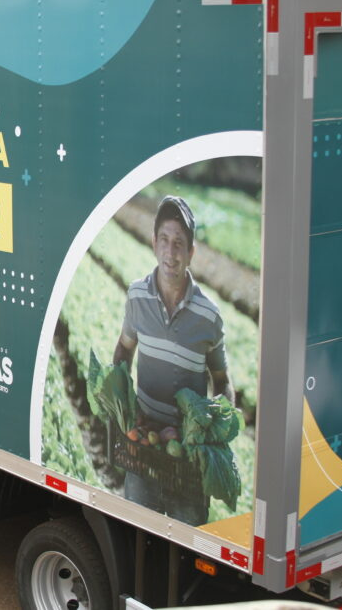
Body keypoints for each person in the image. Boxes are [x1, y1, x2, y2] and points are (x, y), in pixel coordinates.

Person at [113, 195, 234, 525]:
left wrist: (212, 430)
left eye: (179, 243)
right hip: (144, 451)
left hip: (186, 461)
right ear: (154, 243)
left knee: (188, 547)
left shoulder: (208, 316)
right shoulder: (137, 296)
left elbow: (222, 380)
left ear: (191, 252)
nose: (171, 252)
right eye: (164, 240)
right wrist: (123, 406)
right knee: (138, 535)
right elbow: (124, 349)